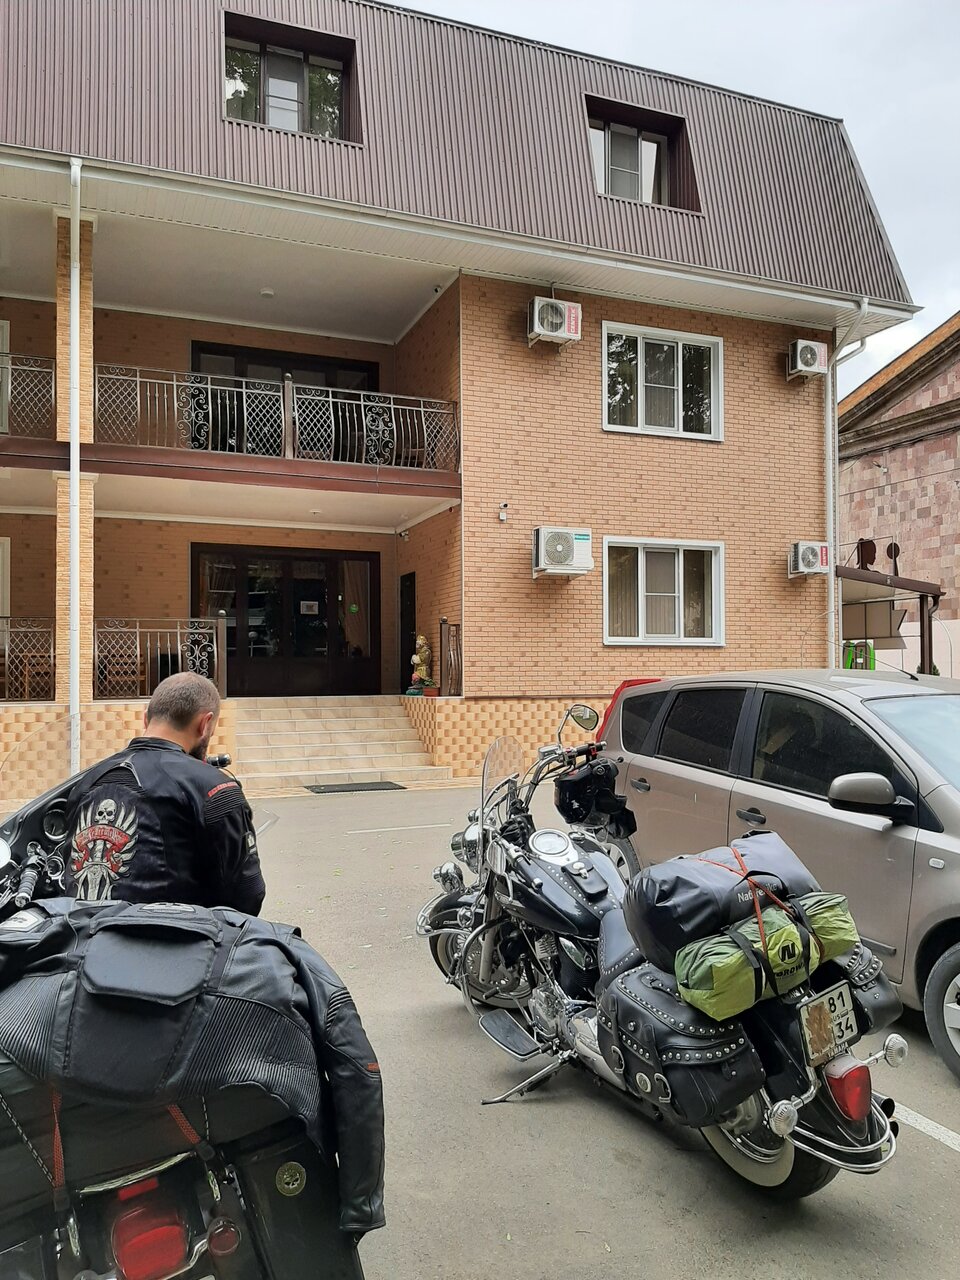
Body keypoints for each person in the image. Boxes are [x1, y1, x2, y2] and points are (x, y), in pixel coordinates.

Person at [64, 672, 265, 914]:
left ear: (145, 718)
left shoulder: (88, 782)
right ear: (205, 724)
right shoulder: (214, 788)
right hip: (169, 935)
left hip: (81, 932)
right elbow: (247, 895)